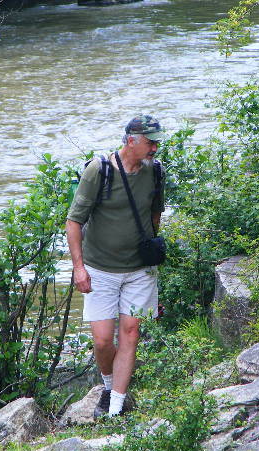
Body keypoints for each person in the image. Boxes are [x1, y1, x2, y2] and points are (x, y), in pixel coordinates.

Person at [65, 114, 166, 417]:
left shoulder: (155, 172)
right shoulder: (100, 171)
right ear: (131, 141)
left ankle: (116, 407)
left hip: (139, 271)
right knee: (102, 340)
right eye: (150, 142)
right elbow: (73, 222)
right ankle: (109, 387)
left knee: (131, 332)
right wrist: (79, 268)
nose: (154, 148)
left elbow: (155, 215)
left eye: (156, 142)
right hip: (100, 270)